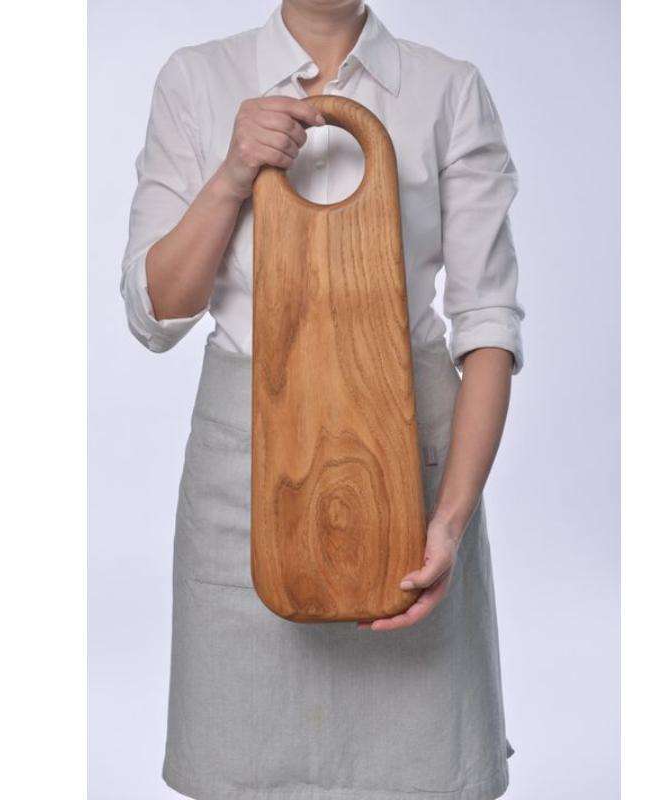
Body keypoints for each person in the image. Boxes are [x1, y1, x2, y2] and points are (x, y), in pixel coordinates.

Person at [120, 2, 524, 799]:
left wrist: (449, 519)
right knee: (240, 769)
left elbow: (488, 324)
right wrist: (233, 173)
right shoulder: (197, 79)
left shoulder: (447, 88)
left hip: (407, 469)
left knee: (419, 771)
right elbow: (156, 313)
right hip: (249, 462)